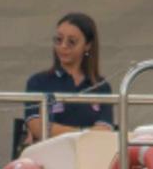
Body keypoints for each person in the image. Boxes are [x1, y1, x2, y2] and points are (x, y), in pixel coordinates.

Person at [25, 13, 114, 142]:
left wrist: (58, 131)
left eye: (71, 42)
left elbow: (105, 130)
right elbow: (37, 126)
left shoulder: (101, 86)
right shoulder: (38, 82)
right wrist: (84, 133)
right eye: (58, 40)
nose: (63, 46)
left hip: (88, 156)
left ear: (88, 45)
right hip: (49, 156)